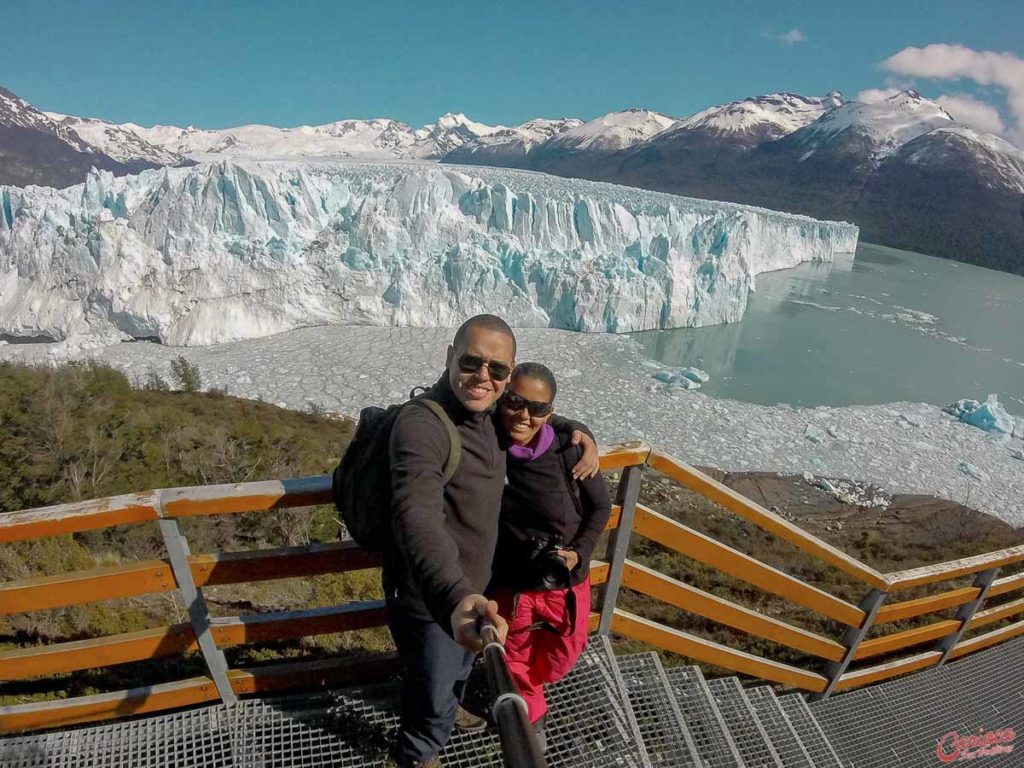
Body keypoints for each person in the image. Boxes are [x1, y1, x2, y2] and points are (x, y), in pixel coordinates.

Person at [384, 315, 598, 768]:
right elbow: (416, 515)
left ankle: (448, 713)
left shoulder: (491, 417)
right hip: (434, 600)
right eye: (471, 362)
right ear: (449, 356)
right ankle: (418, 756)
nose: (484, 377)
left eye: (497, 370)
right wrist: (453, 596)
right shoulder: (423, 426)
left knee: (453, 677)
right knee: (430, 699)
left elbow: (537, 417)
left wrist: (582, 433)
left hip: (476, 597)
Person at [489, 362, 612, 752]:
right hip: (514, 584)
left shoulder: (568, 447)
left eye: (537, 408)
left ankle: (531, 694)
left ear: (550, 413)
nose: (524, 414)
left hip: (566, 582)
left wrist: (579, 554)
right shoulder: (486, 438)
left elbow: (600, 509)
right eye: (514, 401)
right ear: (503, 397)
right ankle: (530, 721)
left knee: (562, 656)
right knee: (517, 659)